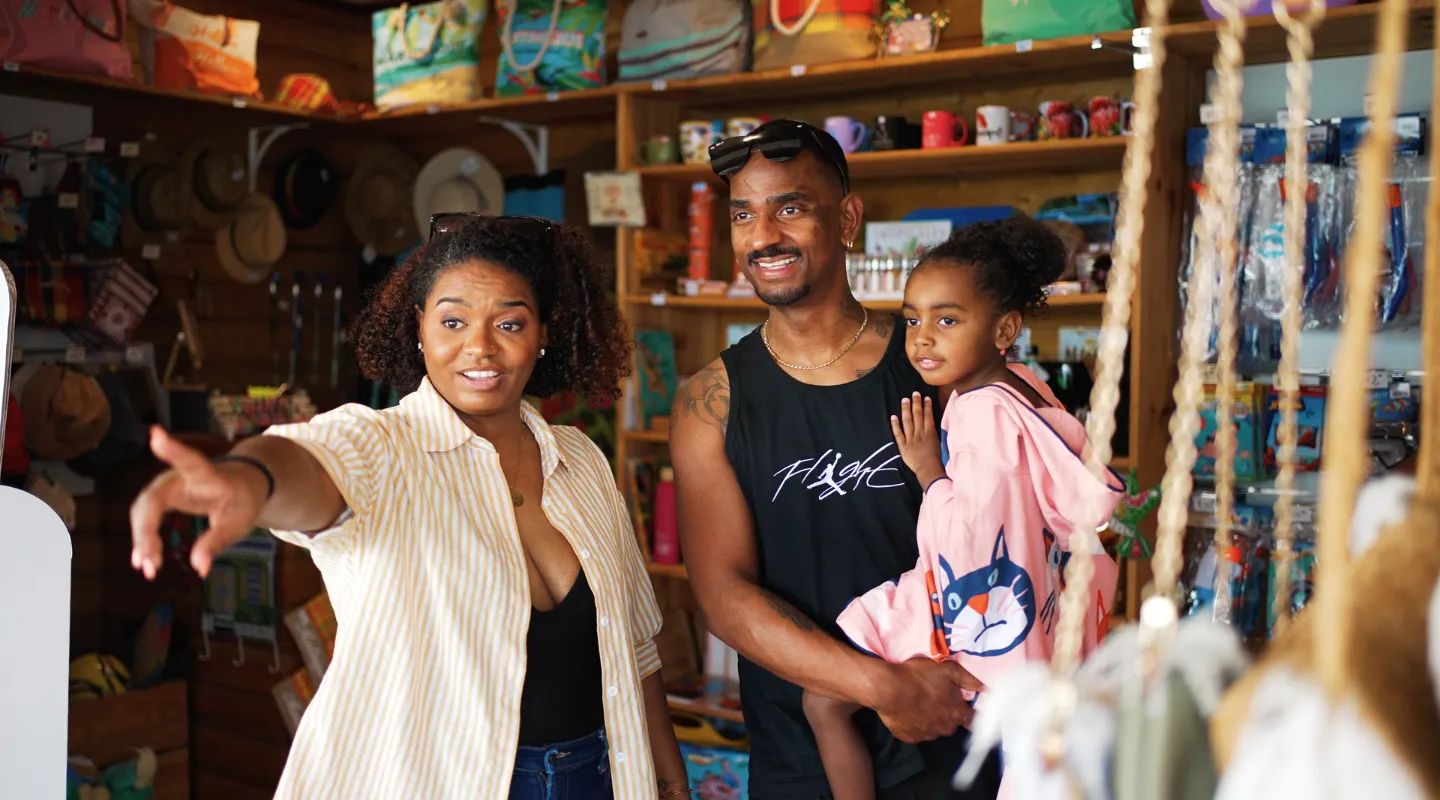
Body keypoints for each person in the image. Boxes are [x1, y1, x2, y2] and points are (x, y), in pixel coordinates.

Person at [128, 215, 691, 800]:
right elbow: (313, 461)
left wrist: (672, 782)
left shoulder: (581, 462)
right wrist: (252, 479)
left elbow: (635, 648)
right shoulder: (385, 447)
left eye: (509, 322)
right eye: (453, 321)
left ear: (543, 333)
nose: (480, 346)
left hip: (596, 779)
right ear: (419, 329)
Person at [669, 118, 996, 800]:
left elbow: (1001, 530)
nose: (763, 237)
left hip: (955, 730)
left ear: (847, 218)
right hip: (801, 758)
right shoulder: (712, 400)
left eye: (790, 208)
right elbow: (725, 597)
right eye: (743, 215)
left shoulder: (935, 367)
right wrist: (884, 687)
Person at [805, 219, 1126, 799]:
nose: (922, 338)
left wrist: (929, 470)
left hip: (988, 607)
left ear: (1005, 328)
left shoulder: (980, 413)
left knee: (823, 698)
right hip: (1040, 606)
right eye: (912, 319)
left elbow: (973, 542)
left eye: (947, 320)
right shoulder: (1023, 385)